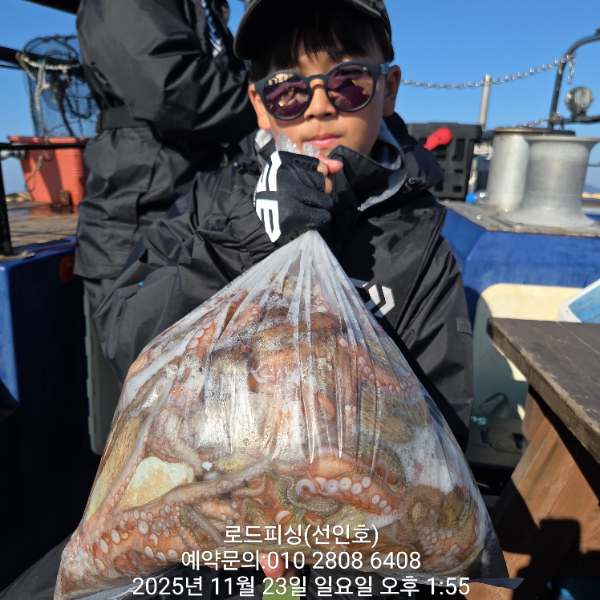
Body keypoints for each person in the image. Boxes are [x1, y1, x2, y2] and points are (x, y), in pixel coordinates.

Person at [0, 1, 477, 598]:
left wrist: (325, 544)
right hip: (199, 521)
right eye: (287, 91)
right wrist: (247, 237)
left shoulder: (420, 243)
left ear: (389, 88)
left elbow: (440, 429)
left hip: (354, 551)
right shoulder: (213, 205)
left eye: (348, 83)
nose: (319, 105)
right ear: (259, 103)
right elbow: (130, 336)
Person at [75, 0, 257, 314]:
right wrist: (276, 95)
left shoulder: (204, 7)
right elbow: (171, 90)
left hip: (197, 218)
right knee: (145, 342)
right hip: (136, 228)